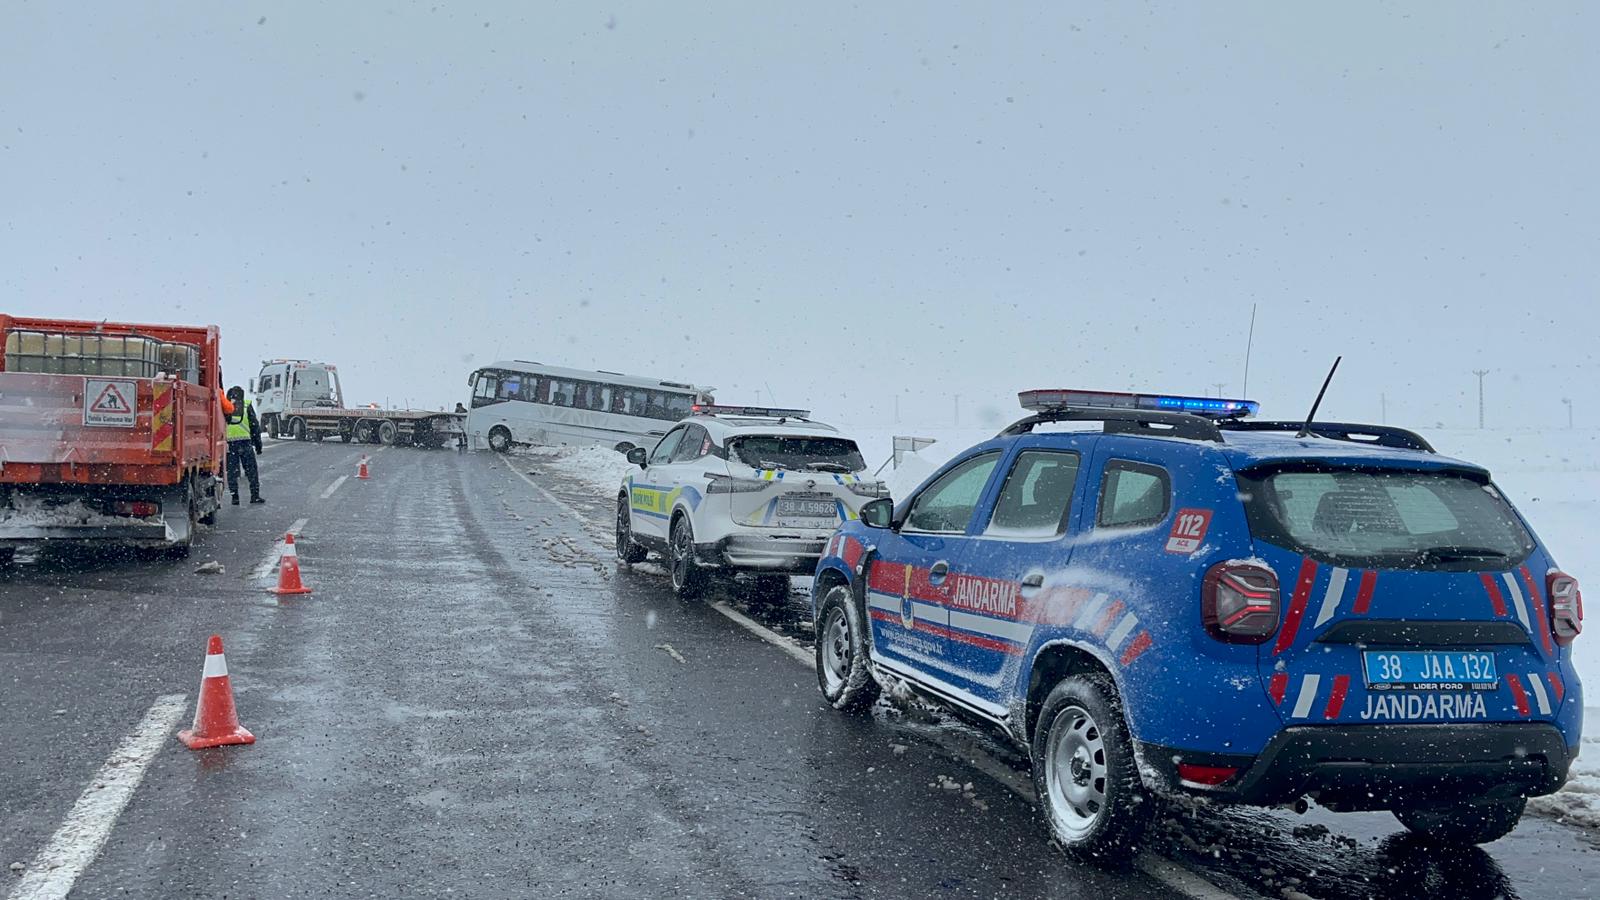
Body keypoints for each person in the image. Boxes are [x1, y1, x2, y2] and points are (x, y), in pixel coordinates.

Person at [224, 385, 265, 505]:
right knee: (251, 470)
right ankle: (254, 496)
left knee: (232, 471)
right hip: (245, 443)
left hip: (229, 444)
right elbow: (255, 427)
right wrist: (258, 445)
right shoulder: (247, 405)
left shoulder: (225, 407)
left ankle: (234, 497)